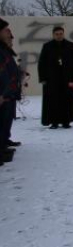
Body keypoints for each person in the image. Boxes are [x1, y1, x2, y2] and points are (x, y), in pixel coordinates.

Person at [37, 26, 73, 129]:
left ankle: (66, 121)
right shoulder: (47, 46)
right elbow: (41, 63)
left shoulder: (71, 46)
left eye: (61, 34)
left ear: (63, 34)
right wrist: (42, 78)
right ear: (53, 35)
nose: (59, 36)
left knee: (67, 100)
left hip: (68, 78)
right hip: (51, 79)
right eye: (57, 34)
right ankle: (54, 122)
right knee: (53, 101)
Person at [0, 18, 22, 165]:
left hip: (8, 94)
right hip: (3, 95)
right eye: (6, 30)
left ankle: (2, 146)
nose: (9, 34)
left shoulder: (4, 50)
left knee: (5, 123)